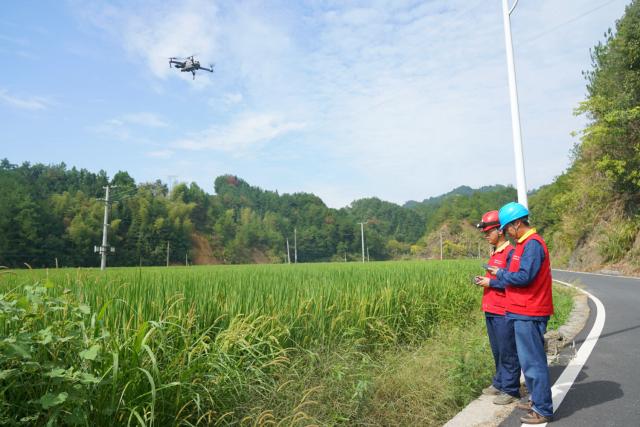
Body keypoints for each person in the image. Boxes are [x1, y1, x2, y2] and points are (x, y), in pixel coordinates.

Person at [485, 202, 554, 424]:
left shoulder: (532, 244)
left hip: (530, 310)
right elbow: (519, 274)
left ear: (516, 223)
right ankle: (536, 400)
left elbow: (525, 277)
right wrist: (502, 273)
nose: (506, 233)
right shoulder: (524, 244)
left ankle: (542, 409)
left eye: (507, 228)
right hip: (521, 310)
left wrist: (500, 274)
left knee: (533, 363)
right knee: (527, 362)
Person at [473, 210, 521, 406]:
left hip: (504, 310)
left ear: (500, 231)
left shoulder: (510, 253)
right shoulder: (495, 253)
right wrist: (485, 281)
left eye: (488, 232)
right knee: (497, 350)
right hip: (491, 308)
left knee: (508, 350)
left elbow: (514, 281)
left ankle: (510, 389)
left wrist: (490, 283)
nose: (486, 236)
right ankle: (500, 382)